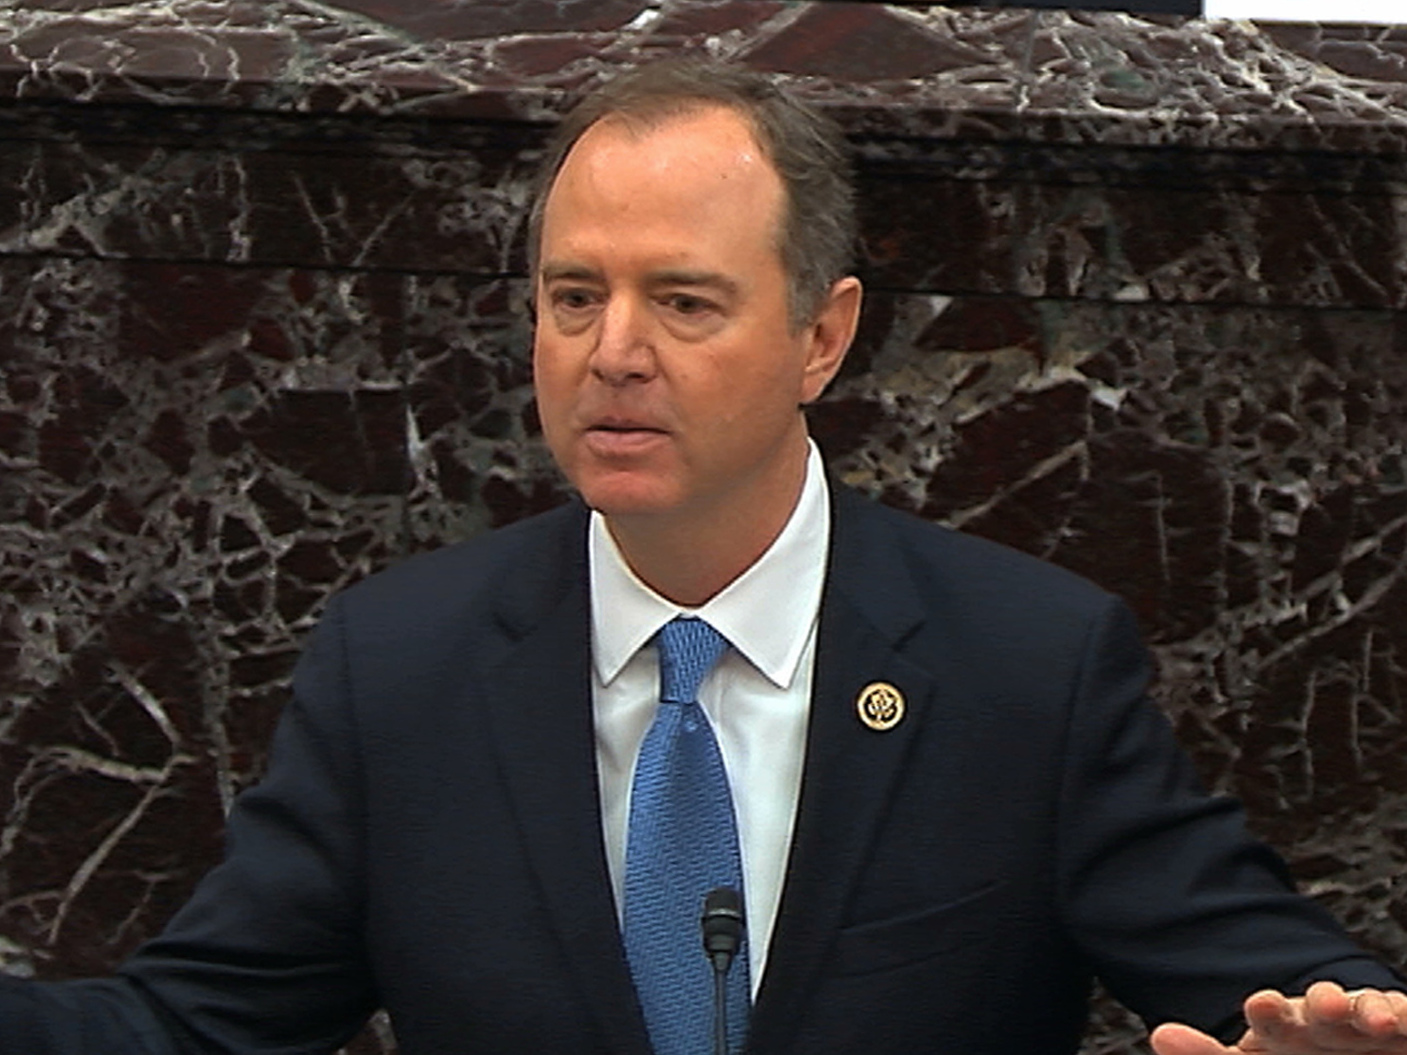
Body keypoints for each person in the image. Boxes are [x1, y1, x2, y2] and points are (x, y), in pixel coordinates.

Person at [2, 59, 1404, 1055]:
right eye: (574, 297)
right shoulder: (403, 666)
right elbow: (192, 1025)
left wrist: (1341, 1033)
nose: (613, 352)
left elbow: (1270, 986)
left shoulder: (1024, 665)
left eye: (682, 302)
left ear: (821, 336)